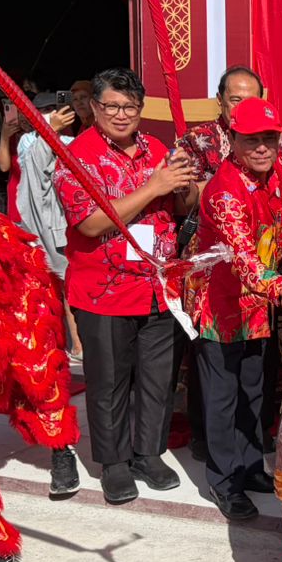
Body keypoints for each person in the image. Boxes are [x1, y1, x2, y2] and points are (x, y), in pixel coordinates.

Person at [55, 68, 198, 505]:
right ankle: (113, 463)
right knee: (110, 380)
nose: (121, 115)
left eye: (130, 107)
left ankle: (147, 453)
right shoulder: (75, 156)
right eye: (112, 106)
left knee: (158, 379)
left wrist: (185, 184)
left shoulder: (156, 148)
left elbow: (181, 205)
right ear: (95, 108)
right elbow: (91, 221)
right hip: (105, 289)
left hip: (157, 283)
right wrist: (153, 185)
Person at [191, 96, 282, 520]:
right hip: (221, 305)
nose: (262, 147)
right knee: (223, 398)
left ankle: (248, 466)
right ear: (232, 140)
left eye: (268, 139)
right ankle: (224, 481)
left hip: (258, 303)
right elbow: (243, 257)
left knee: (254, 389)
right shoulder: (225, 192)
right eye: (251, 140)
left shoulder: (276, 171)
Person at [15, 90, 82, 362]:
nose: (51, 114)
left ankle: (78, 345)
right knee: (40, 287)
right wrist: (48, 132)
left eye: (55, 109)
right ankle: (46, 345)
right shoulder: (28, 141)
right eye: (44, 111)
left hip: (65, 222)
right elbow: (33, 167)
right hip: (39, 223)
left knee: (69, 287)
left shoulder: (73, 141)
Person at [182, 66, 265, 183]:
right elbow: (188, 196)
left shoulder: (271, 136)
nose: (243, 108)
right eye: (236, 100)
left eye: (251, 102)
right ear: (220, 100)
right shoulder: (195, 139)